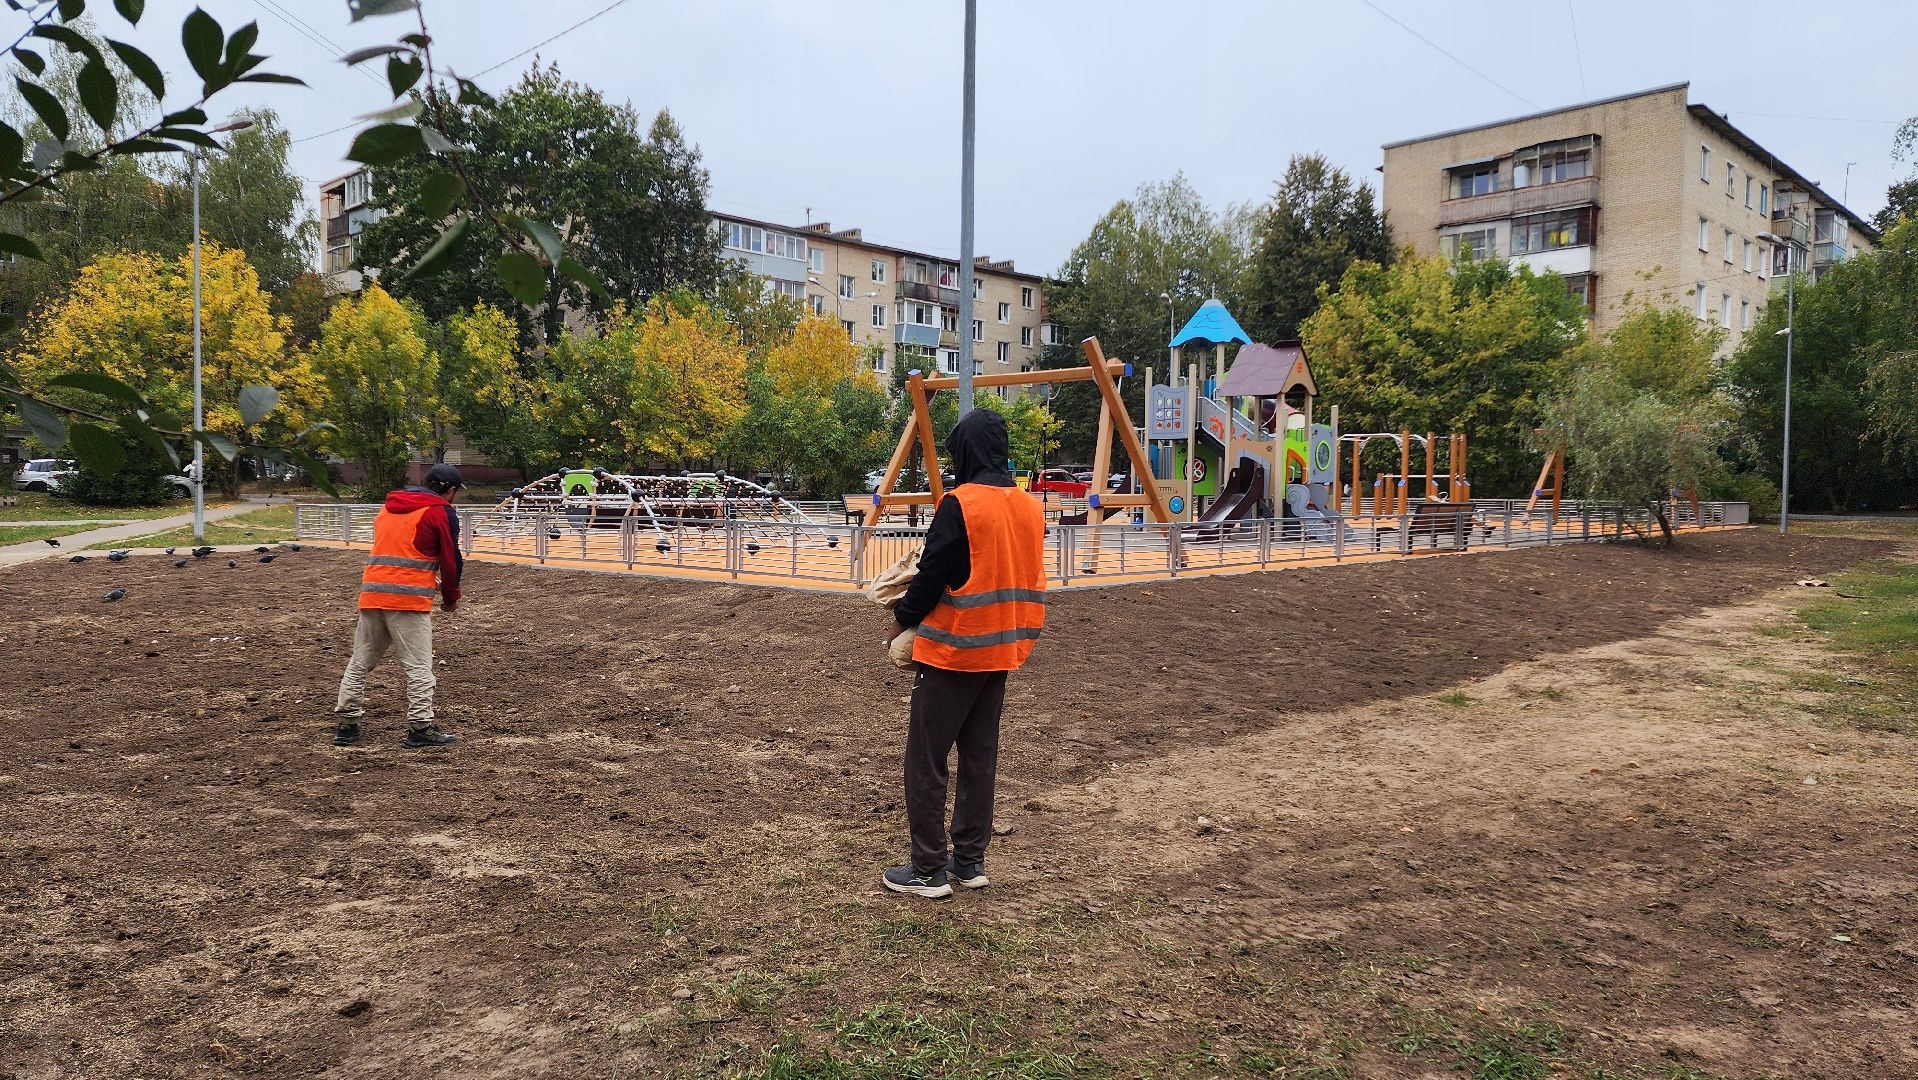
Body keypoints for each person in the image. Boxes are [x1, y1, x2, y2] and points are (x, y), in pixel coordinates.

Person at [884, 410, 1046, 899]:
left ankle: (928, 868)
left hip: (955, 652)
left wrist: (901, 616)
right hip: (1003, 650)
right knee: (980, 758)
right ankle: (970, 861)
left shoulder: (960, 504)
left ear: (966, 452)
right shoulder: (1029, 507)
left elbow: (933, 574)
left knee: (927, 759)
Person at [332, 463, 466, 749]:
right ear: (450, 490)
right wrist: (451, 597)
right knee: (418, 667)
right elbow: (450, 560)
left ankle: (347, 723)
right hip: (408, 601)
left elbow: (402, 550)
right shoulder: (440, 512)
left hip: (372, 595)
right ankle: (420, 726)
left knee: (361, 661)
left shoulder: (388, 507)